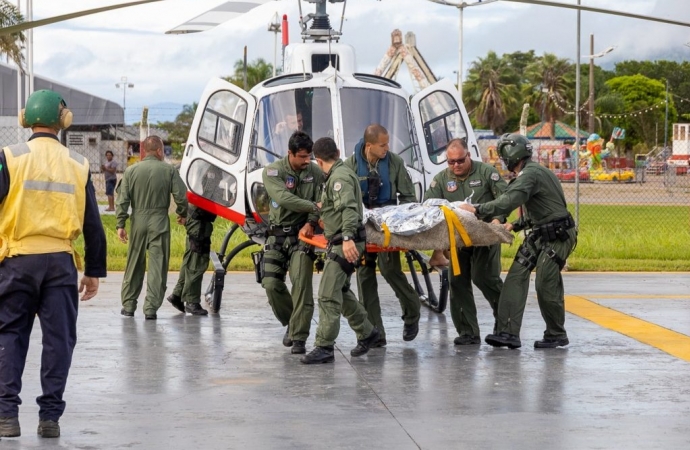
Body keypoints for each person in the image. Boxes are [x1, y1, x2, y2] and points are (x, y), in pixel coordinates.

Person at [0, 89, 107, 439]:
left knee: (11, 334)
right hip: (60, 263)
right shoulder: (78, 164)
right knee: (59, 340)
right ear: (64, 121)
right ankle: (49, 418)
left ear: (25, 118)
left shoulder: (9, 157)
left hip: (17, 261)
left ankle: (6, 416)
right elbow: (93, 222)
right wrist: (93, 271)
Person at [457, 133, 577, 349]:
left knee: (545, 282)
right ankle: (507, 333)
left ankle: (556, 333)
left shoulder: (530, 175)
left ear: (511, 156)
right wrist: (516, 225)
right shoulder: (535, 172)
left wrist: (477, 209)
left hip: (558, 236)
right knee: (515, 278)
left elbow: (508, 200)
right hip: (540, 233)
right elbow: (543, 208)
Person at [301, 137, 379, 364]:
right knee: (341, 292)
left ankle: (324, 346)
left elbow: (349, 209)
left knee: (327, 295)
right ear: (336, 151)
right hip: (341, 240)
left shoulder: (339, 178)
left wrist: (346, 238)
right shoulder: (338, 174)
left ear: (318, 160)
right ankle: (367, 332)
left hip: (346, 242)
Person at [424, 138, 508, 345]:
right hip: (457, 241)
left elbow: (506, 199)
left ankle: (506, 325)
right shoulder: (441, 180)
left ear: (468, 155)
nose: (456, 166)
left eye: (460, 161)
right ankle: (467, 331)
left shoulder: (487, 173)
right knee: (457, 281)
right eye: (451, 162)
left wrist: (499, 219)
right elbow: (429, 207)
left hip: (484, 236)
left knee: (484, 277)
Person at [345, 123, 421, 347]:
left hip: (388, 225)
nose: (387, 148)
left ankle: (412, 311)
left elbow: (408, 197)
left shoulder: (395, 162)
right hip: (362, 225)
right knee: (364, 276)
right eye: (382, 145)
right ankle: (374, 331)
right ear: (369, 145)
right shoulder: (351, 166)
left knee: (391, 271)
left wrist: (403, 225)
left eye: (387, 143)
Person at [260, 131, 323, 354]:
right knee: (270, 284)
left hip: (302, 236)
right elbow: (284, 198)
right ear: (290, 153)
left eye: (310, 156)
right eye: (303, 157)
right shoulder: (272, 172)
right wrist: (314, 207)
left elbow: (323, 199)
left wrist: (312, 220)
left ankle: (299, 337)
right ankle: (292, 322)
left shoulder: (315, 172)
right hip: (276, 236)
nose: (307, 161)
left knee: (301, 285)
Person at [116, 135, 188, 320]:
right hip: (159, 221)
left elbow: (122, 200)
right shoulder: (169, 170)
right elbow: (181, 195)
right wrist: (182, 213)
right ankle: (151, 308)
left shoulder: (131, 171)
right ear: (158, 151)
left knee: (134, 263)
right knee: (158, 264)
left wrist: (120, 224)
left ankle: (129, 305)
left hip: (138, 220)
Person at [166, 204, 216, 316]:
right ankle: (191, 301)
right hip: (199, 219)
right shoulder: (208, 185)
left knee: (190, 258)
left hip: (195, 217)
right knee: (197, 262)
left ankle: (177, 294)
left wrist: (182, 211)